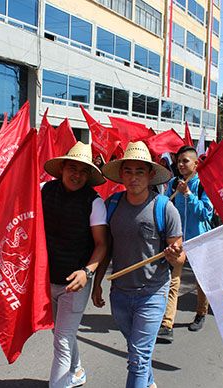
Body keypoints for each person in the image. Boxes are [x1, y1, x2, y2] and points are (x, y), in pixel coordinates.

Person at [93, 141, 183, 388]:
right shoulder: (111, 205)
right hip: (119, 294)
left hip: (152, 294)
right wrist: (97, 284)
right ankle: (149, 383)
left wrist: (175, 255)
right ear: (121, 174)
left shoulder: (166, 209)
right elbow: (106, 248)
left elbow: (180, 256)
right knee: (136, 352)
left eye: (140, 172)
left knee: (138, 360)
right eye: (128, 171)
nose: (134, 178)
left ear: (150, 174)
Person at [42, 142, 108, 388]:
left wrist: (87, 272)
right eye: (72, 168)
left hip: (76, 282)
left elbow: (102, 244)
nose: (77, 175)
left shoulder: (95, 202)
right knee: (61, 334)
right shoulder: (44, 190)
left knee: (62, 339)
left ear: (89, 175)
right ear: (62, 169)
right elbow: (16, 201)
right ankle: (77, 370)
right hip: (47, 279)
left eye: (83, 171)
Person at [158, 146, 214, 343]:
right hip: (177, 241)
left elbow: (205, 214)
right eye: (179, 161)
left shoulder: (204, 185)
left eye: (185, 161)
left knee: (201, 282)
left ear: (196, 163)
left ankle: (201, 313)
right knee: (173, 281)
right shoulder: (173, 183)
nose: (181, 165)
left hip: (199, 241)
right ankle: (167, 324)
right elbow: (163, 207)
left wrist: (189, 194)